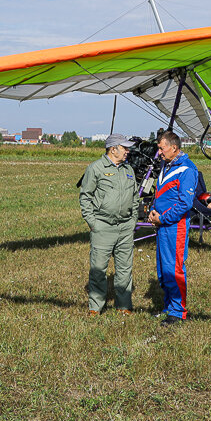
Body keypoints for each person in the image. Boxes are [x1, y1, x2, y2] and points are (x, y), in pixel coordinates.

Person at [79, 133, 140, 316]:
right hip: (103, 226)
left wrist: (133, 220)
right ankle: (95, 307)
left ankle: (123, 305)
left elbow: (135, 197)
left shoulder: (128, 169)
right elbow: (85, 197)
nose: (128, 151)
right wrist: (92, 222)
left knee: (124, 269)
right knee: (98, 269)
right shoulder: (95, 168)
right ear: (113, 149)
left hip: (125, 227)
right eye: (124, 148)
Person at [147, 131, 197, 326]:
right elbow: (161, 193)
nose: (159, 152)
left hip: (175, 226)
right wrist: (153, 211)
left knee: (173, 268)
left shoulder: (187, 169)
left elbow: (185, 203)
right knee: (163, 268)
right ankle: (168, 306)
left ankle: (178, 311)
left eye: (162, 148)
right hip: (162, 225)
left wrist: (163, 218)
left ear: (174, 148)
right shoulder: (165, 166)